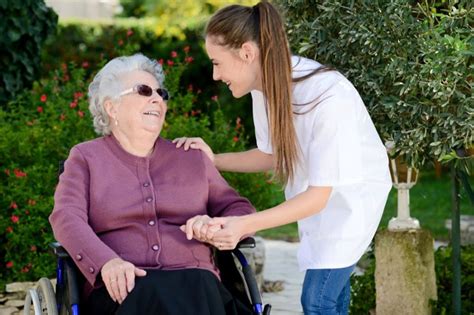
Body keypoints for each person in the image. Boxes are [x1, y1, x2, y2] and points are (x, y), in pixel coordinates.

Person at [174, 1, 392, 314]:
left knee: (317, 300)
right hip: (318, 197)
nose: (214, 74)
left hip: (352, 198)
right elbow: (271, 155)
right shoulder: (263, 87)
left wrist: (242, 225)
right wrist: (213, 158)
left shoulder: (328, 97)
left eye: (218, 63)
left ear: (247, 53)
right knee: (330, 295)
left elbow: (318, 198)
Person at [49, 53, 256, 315]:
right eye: (143, 91)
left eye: (161, 93)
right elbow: (66, 217)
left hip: (196, 284)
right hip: (124, 289)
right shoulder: (86, 158)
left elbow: (238, 208)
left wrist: (218, 226)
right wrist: (106, 263)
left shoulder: (191, 157)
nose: (157, 98)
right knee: (146, 290)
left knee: (199, 284)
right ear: (111, 107)